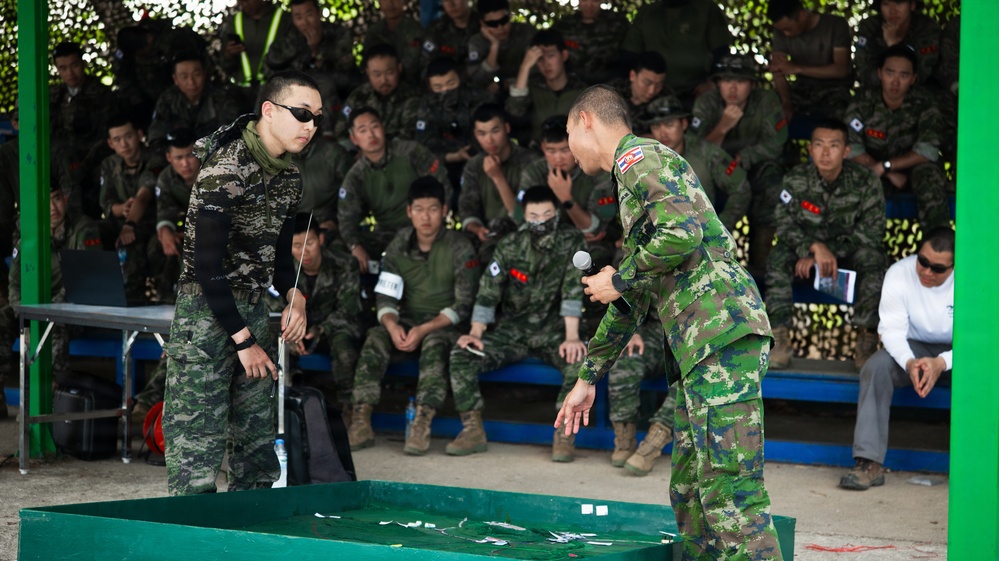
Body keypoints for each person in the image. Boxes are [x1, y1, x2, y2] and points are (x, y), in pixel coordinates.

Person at [556, 85, 784, 561]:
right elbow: (634, 297)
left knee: (730, 494)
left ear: (586, 120)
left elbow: (683, 233)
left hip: (721, 336)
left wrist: (619, 276)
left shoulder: (640, 158)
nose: (567, 149)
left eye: (567, 133)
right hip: (697, 351)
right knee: (689, 493)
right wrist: (587, 378)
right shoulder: (632, 177)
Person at [161, 70, 319, 495]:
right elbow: (205, 266)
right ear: (269, 111)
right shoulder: (226, 169)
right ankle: (193, 540)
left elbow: (283, 260)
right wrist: (244, 341)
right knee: (197, 445)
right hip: (207, 315)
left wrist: (295, 297)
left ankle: (251, 532)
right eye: (302, 114)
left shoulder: (288, 177)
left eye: (316, 118)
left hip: (250, 308)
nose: (310, 126)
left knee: (255, 444)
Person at [450, 186, 587, 461]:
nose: (540, 221)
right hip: (512, 332)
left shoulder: (572, 242)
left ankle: (565, 435)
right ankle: (472, 429)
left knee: (581, 362)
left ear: (556, 213)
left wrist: (571, 337)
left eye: (546, 214)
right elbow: (489, 290)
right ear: (524, 216)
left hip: (554, 332)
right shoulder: (510, 244)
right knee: (462, 355)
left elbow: (573, 291)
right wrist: (476, 332)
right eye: (533, 216)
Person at [348, 177, 481, 455]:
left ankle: (422, 422)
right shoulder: (399, 245)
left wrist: (424, 329)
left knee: (435, 345)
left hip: (444, 323)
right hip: (407, 320)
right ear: (409, 211)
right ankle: (360, 418)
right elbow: (386, 296)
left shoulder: (459, 246)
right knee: (375, 336)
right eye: (419, 209)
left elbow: (464, 304)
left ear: (445, 210)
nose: (426, 216)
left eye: (433, 209)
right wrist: (392, 324)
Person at [766, 119, 887, 371]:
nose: (825, 152)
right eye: (819, 145)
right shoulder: (796, 179)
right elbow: (783, 223)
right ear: (810, 149)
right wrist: (812, 247)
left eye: (833, 146)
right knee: (778, 256)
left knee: (874, 259)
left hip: (847, 254)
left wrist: (826, 250)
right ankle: (780, 338)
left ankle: (866, 339)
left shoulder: (865, 181)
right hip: (809, 254)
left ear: (846, 151)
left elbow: (872, 232)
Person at [840, 227, 954, 491]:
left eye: (937, 269)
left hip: (960, 351)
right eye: (922, 262)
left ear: (953, 267)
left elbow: (980, 341)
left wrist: (942, 362)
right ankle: (869, 463)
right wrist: (910, 362)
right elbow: (891, 330)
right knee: (876, 367)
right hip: (913, 346)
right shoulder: (899, 273)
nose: (926, 272)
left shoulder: (971, 278)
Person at [0, 182, 102, 419]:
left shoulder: (83, 228)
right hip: (33, 308)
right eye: (45, 202)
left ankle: (48, 398)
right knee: (2, 319)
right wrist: (19, 309)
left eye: (56, 198)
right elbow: (14, 282)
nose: (53, 208)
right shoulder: (31, 231)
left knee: (55, 325)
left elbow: (84, 277)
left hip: (73, 309)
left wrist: (50, 309)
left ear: (65, 199)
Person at [691, 54, 788, 278]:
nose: (733, 88)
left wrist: (745, 156)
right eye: (726, 81)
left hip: (756, 168)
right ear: (717, 83)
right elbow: (695, 152)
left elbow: (776, 144)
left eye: (741, 81)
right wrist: (723, 126)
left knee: (772, 186)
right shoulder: (707, 103)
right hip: (716, 171)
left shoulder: (766, 101)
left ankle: (760, 263)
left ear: (752, 84)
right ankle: (706, 260)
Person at [844, 44, 950, 231]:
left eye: (904, 75)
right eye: (890, 73)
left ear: (913, 78)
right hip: (873, 168)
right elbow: (852, 149)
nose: (895, 82)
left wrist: (886, 165)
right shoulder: (862, 102)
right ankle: (860, 251)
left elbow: (928, 151)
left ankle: (937, 251)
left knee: (930, 179)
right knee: (854, 184)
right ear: (879, 73)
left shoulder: (925, 103)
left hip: (915, 168)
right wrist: (886, 170)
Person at [337, 107, 451, 275]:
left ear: (383, 128)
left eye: (374, 127)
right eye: (363, 130)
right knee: (343, 252)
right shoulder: (356, 176)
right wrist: (356, 247)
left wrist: (435, 219)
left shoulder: (410, 151)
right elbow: (346, 219)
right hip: (387, 232)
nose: (371, 135)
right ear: (354, 138)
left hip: (424, 223)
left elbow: (443, 184)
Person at [518, 115, 617, 268]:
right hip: (547, 240)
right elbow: (520, 218)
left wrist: (566, 199)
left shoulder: (596, 171)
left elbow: (595, 228)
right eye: (551, 151)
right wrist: (570, 237)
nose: (558, 158)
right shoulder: (534, 172)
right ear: (543, 147)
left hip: (589, 246)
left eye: (565, 150)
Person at [643, 95, 750, 233]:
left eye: (669, 124)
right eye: (656, 126)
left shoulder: (706, 152)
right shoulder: (645, 158)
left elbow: (741, 189)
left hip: (701, 235)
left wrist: (719, 228)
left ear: (684, 124)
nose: (662, 133)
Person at [290, 213, 362, 417]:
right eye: (296, 246)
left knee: (344, 346)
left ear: (320, 239)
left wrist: (321, 329)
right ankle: (289, 409)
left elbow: (348, 309)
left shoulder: (345, 264)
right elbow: (275, 309)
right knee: (279, 345)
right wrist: (292, 334)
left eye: (309, 243)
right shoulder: (285, 272)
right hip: (298, 333)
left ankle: (349, 409)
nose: (304, 252)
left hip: (335, 329)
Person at [458, 103, 541, 259]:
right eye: (482, 133)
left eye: (495, 131)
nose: (489, 140)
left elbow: (522, 216)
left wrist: (498, 178)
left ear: (507, 129)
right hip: (489, 236)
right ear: (476, 135)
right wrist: (477, 229)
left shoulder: (530, 162)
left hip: (524, 233)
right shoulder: (474, 166)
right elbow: (467, 208)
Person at [264, 0, 355, 133]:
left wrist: (317, 52)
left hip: (334, 87)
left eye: (309, 14)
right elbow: (271, 66)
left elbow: (345, 68)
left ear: (319, 13)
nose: (305, 22)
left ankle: (330, 133)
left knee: (325, 84)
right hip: (295, 90)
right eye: (298, 17)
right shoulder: (289, 38)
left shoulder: (338, 33)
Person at [98, 113, 160, 303]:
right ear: (110, 143)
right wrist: (122, 209)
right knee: (93, 231)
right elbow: (106, 203)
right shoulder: (109, 164)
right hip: (121, 221)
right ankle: (95, 291)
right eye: (117, 140)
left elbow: (144, 196)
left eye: (128, 136)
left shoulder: (154, 160)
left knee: (132, 242)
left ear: (139, 134)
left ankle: (133, 297)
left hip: (147, 222)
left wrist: (130, 223)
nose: (124, 144)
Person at [606, 312, 678, 476]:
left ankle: (654, 443)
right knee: (626, 359)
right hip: (655, 335)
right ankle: (625, 440)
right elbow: (631, 295)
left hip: (696, 336)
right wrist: (631, 331)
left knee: (690, 378)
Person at [621, 0, 732, 104]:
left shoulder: (708, 10)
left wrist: (713, 82)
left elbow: (722, 52)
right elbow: (630, 55)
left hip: (696, 91)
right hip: (655, 92)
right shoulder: (647, 13)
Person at [50, 41, 113, 219]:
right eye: (63, 68)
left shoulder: (101, 94)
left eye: (74, 65)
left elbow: (105, 137)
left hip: (91, 168)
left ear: (83, 63)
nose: (70, 73)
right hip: (62, 168)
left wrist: (82, 166)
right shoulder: (54, 95)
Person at [767, 0, 853, 127]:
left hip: (835, 89)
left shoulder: (835, 25)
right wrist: (786, 101)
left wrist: (798, 69)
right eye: (782, 30)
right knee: (770, 112)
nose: (786, 34)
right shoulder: (781, 32)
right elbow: (777, 70)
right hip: (802, 88)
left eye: (788, 29)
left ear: (802, 15)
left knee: (841, 118)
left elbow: (841, 70)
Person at [415, 56, 494, 191]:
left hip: (481, 163)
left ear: (460, 78)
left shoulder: (478, 97)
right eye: (438, 87)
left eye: (451, 83)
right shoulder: (427, 105)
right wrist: (454, 156)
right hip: (444, 165)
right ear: (430, 86)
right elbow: (424, 146)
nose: (445, 90)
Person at [147, 53, 243, 160]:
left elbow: (232, 136)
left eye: (196, 75)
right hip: (180, 162)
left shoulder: (221, 98)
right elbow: (156, 136)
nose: (191, 82)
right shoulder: (168, 100)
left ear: (204, 74)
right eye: (184, 77)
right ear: (175, 79)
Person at [505, 29, 587, 145]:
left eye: (551, 56)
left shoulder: (582, 91)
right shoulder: (533, 89)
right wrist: (525, 67)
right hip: (539, 155)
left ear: (564, 55)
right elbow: (515, 110)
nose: (546, 63)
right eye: (540, 59)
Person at [333, 44, 420, 143]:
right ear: (367, 72)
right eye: (377, 74)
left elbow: (410, 136)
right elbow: (341, 131)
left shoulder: (412, 96)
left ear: (399, 68)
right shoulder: (359, 95)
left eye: (389, 73)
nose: (384, 80)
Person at [153, 128, 201, 303]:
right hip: (181, 232)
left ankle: (192, 301)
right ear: (169, 158)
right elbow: (165, 210)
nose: (185, 164)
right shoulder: (167, 177)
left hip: (212, 234)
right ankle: (162, 297)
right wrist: (165, 231)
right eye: (178, 158)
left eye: (189, 156)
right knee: (156, 246)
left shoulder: (213, 173)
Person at [855, 0, 940, 91]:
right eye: (886, 4)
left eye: (899, 3)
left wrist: (894, 46)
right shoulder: (870, 27)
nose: (892, 10)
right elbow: (865, 72)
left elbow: (922, 73)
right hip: (877, 92)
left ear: (912, 5)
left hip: (920, 93)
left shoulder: (926, 28)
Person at [551, 0, 629, 86]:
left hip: (610, 84)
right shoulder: (564, 25)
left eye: (595, 1)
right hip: (573, 86)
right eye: (584, 0)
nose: (589, 5)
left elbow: (629, 56)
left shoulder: (617, 23)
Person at [218, 0, 292, 88]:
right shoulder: (233, 22)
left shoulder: (284, 19)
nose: (243, 4)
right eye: (240, 1)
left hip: (276, 89)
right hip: (242, 92)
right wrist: (228, 54)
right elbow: (225, 66)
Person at [465, 0, 535, 91]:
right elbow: (478, 80)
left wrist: (506, 83)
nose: (500, 28)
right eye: (493, 24)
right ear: (482, 24)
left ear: (509, 16)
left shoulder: (526, 33)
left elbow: (538, 72)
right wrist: (494, 46)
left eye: (504, 21)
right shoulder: (477, 42)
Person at [293, 134, 352, 240]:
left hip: (332, 224)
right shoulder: (271, 158)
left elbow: (354, 194)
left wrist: (333, 220)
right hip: (293, 229)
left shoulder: (333, 153)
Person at [362, 0, 425, 87]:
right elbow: (367, 62)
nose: (390, 4)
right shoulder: (374, 32)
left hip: (411, 86)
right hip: (380, 85)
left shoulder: (415, 30)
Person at [615, 51, 672, 135]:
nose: (652, 91)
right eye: (647, 83)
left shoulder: (665, 98)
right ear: (633, 76)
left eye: (659, 85)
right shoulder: (612, 93)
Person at [423, 0, 480, 68]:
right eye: (445, 0)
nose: (451, 4)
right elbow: (426, 63)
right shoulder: (437, 29)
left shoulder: (485, 25)